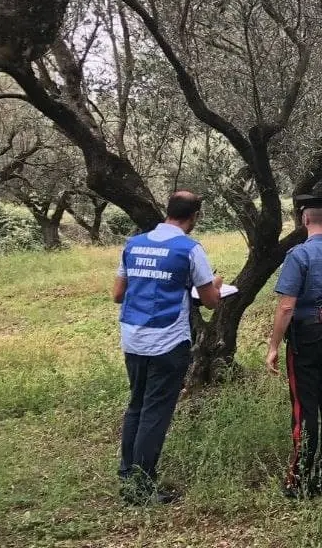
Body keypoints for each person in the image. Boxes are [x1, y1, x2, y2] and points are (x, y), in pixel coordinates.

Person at [111, 191, 222, 505]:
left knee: (137, 404)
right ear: (195, 216)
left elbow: (118, 294)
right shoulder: (190, 249)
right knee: (156, 412)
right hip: (167, 341)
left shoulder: (133, 245)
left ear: (167, 210)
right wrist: (214, 284)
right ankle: (142, 487)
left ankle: (127, 473)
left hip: (133, 337)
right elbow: (211, 302)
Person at [266, 194, 322, 498]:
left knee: (304, 407)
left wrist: (274, 345)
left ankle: (299, 479)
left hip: (306, 336)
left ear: (305, 220)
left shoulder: (298, 255)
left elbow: (286, 307)